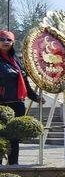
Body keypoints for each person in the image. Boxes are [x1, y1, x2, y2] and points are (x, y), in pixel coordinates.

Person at [0, 30, 43, 165]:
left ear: (13, 43)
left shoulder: (16, 59)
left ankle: (14, 166)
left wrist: (35, 97)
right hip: (2, 105)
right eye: (2, 39)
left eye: (9, 40)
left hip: (18, 104)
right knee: (1, 138)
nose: (6, 42)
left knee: (15, 138)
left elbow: (24, 82)